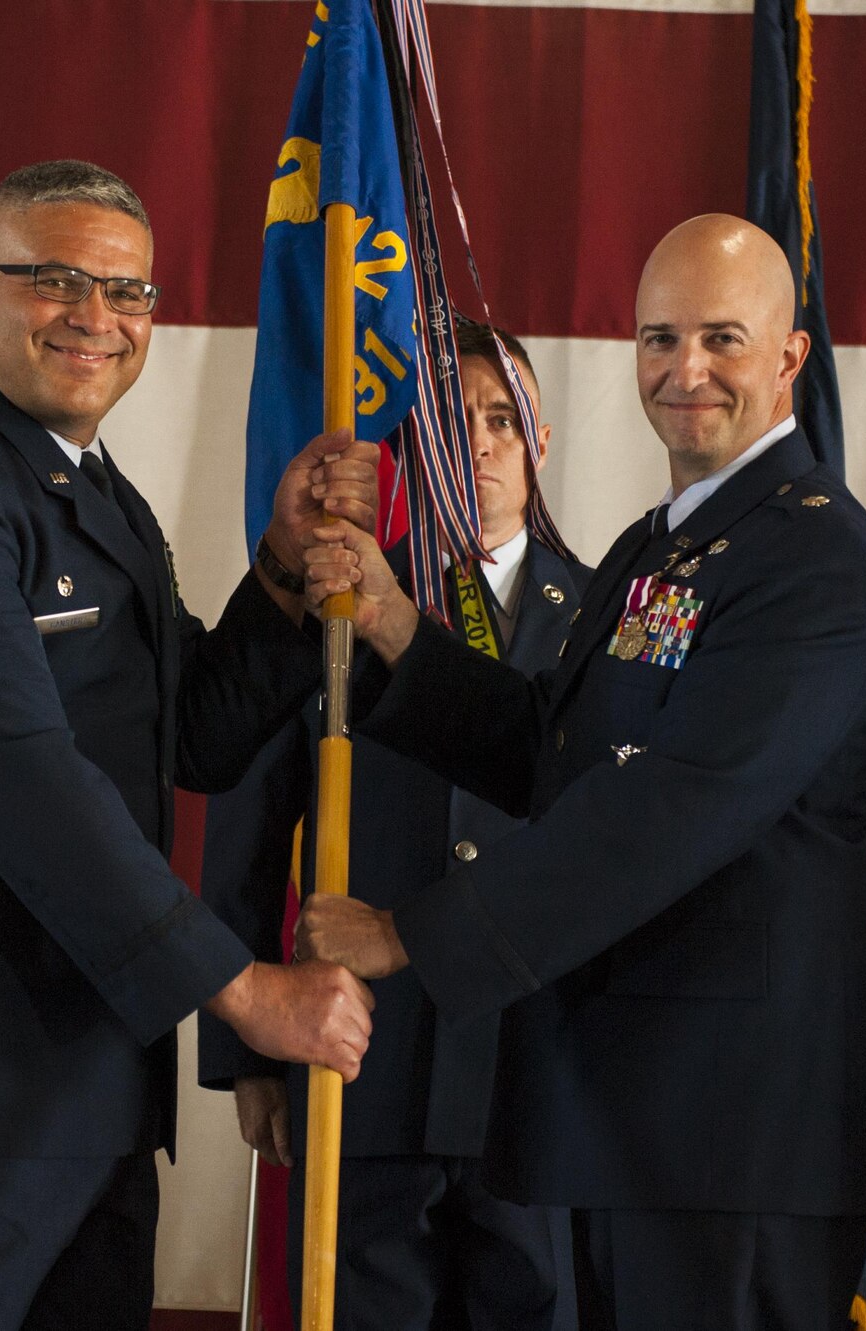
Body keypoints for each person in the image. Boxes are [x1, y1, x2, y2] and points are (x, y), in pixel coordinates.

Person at [0, 160, 380, 1331]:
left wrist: (285, 568)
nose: (95, 316)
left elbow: (187, 733)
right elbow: (26, 783)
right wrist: (245, 990)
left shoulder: (89, 493)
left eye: (128, 291)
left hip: (83, 1093)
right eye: (54, 280)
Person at [295, 216, 866, 1331]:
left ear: (789, 357)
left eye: (721, 338)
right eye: (657, 337)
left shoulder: (817, 561)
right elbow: (554, 748)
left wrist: (411, 933)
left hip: (733, 1135)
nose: (684, 370)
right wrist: (397, 630)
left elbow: (669, 810)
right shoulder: (658, 546)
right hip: (628, 1110)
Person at [199, 320, 589, 1331]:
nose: (485, 443)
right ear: (416, 455)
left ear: (540, 442)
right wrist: (245, 1053)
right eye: (455, 425)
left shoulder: (605, 622)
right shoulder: (341, 596)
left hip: (532, 1078)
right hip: (362, 1065)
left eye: (504, 419)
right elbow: (247, 813)